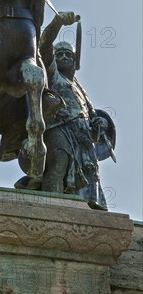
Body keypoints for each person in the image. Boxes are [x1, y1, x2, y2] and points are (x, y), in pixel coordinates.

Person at [17, 11, 115, 210]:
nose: (63, 57)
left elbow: (91, 114)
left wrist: (99, 122)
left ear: (74, 61)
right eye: (59, 54)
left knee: (90, 172)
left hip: (82, 135)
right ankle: (50, 208)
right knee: (59, 162)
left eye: (68, 54)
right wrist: (57, 23)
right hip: (58, 126)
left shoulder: (79, 87)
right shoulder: (52, 75)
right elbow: (43, 46)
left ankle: (90, 210)